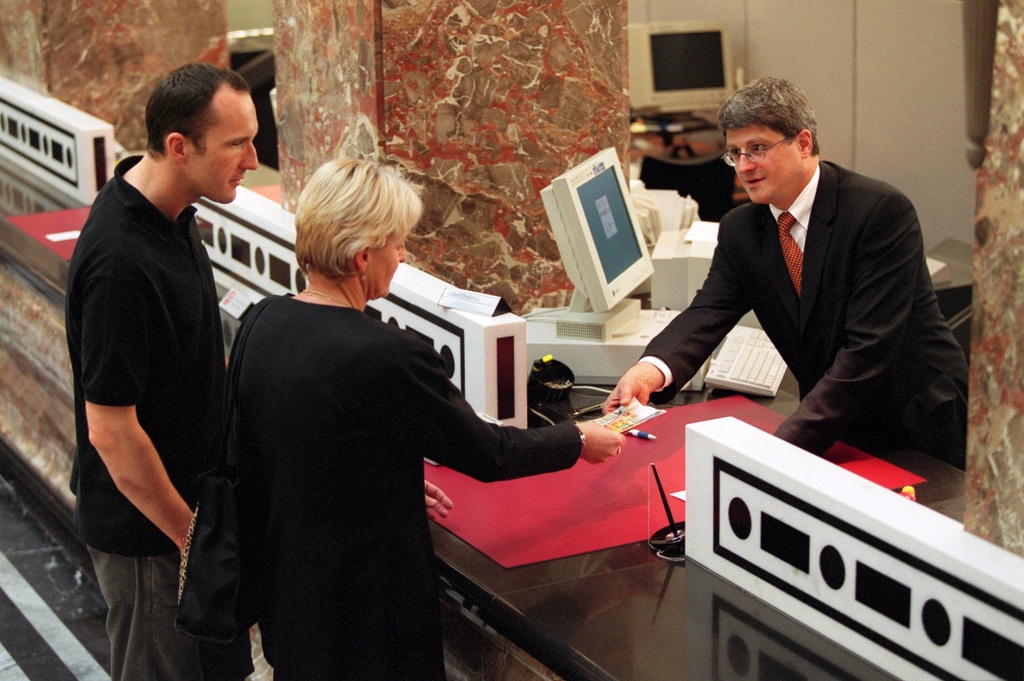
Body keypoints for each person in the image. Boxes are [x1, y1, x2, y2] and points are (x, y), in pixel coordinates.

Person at [229, 157, 624, 680]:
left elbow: (290, 447)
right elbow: (490, 452)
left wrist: (383, 476)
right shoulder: (387, 354)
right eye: (397, 243)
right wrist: (577, 439)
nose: (402, 256)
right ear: (362, 256)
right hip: (367, 623)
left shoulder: (262, 321)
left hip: (291, 607)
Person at [605, 77, 969, 470]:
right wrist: (650, 370)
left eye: (757, 149)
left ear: (804, 143)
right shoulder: (741, 229)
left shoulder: (879, 213)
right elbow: (707, 312)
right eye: (735, 153)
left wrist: (779, 450)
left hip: (914, 424)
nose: (744, 166)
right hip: (833, 421)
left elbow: (867, 351)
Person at [65, 62, 259, 680]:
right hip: (150, 537)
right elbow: (111, 431)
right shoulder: (121, 262)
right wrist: (191, 540)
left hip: (189, 517)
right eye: (236, 144)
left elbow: (191, 355)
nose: (253, 160)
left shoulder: (172, 209)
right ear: (179, 146)